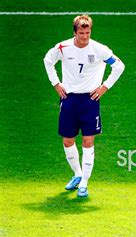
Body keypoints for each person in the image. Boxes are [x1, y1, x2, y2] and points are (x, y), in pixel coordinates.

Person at [44, 14, 125, 198]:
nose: (85, 37)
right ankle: (78, 174)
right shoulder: (63, 48)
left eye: (88, 32)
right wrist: (56, 83)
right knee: (67, 141)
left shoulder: (99, 49)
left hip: (90, 101)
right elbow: (48, 61)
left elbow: (119, 66)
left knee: (88, 141)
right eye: (81, 33)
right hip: (69, 99)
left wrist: (104, 87)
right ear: (75, 32)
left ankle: (85, 183)